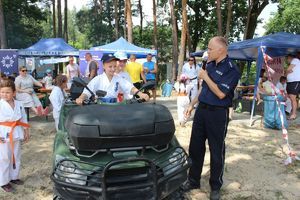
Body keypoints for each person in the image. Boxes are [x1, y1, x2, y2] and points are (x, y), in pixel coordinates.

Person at [183, 36, 240, 200]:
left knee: (216, 150)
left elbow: (221, 94)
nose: (207, 51)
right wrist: (192, 104)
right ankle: (193, 180)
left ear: (221, 50)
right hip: (202, 111)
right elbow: (204, 89)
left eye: (210, 49)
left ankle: (215, 186)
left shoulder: (232, 69)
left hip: (218, 113)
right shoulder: (209, 65)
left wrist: (205, 76)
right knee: (195, 147)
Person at [76, 54, 149, 105]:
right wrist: (81, 98)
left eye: (114, 66)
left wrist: (141, 94)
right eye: (110, 67)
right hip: (100, 107)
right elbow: (87, 91)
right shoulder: (97, 79)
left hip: (115, 107)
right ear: (103, 66)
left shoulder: (118, 79)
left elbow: (129, 87)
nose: (113, 69)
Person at [0, 80, 30, 192]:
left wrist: (26, 130)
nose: (4, 94)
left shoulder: (19, 104)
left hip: (16, 131)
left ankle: (14, 177)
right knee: (4, 158)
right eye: (2, 92)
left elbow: (23, 118)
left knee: (16, 156)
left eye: (7, 92)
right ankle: (3, 181)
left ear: (14, 93)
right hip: (3, 134)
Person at [286, 54, 300, 120]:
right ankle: (293, 113)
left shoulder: (295, 60)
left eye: (287, 59)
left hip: (295, 82)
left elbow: (288, 70)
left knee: (293, 98)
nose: (287, 61)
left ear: (290, 58)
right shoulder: (294, 63)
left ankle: (294, 114)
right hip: (291, 82)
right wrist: (287, 71)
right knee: (292, 98)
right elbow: (286, 72)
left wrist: (287, 71)